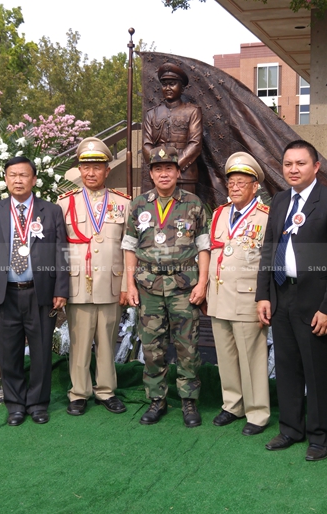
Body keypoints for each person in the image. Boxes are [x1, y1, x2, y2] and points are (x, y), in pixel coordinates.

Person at [255, 140, 327, 461]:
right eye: (287, 164)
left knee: (316, 370)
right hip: (282, 296)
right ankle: (290, 429)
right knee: (286, 366)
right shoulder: (280, 200)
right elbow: (269, 249)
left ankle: (320, 436)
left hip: (315, 302)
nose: (293, 170)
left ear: (316, 167)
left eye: (300, 164)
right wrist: (263, 296)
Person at [122, 145, 211, 427]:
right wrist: (130, 285)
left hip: (184, 285)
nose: (164, 173)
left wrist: (203, 283)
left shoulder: (193, 204)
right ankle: (157, 400)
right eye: (158, 169)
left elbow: (204, 247)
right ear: (150, 173)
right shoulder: (138, 205)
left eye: (169, 168)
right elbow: (129, 247)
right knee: (152, 347)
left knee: (187, 346)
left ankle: (188, 401)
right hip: (148, 286)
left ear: (178, 171)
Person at [0, 156, 68, 426]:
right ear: (5, 179)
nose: (18, 180)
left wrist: (61, 289)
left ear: (34, 179)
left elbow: (62, 253)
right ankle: (15, 404)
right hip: (5, 292)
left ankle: (38, 403)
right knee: (9, 352)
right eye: (13, 175)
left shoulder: (51, 211)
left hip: (41, 292)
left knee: (41, 351)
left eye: (24, 175)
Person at [58, 137, 131, 417]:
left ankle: (106, 390)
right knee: (78, 340)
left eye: (97, 167)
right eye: (85, 166)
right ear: (79, 169)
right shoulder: (65, 203)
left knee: (107, 338)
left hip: (111, 285)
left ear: (107, 170)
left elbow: (129, 247)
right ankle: (78, 393)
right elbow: (57, 248)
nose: (90, 172)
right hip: (77, 285)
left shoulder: (123, 204)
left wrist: (126, 285)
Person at [207, 152, 271, 436]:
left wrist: (264, 297)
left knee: (252, 357)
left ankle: (257, 413)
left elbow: (269, 262)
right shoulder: (219, 213)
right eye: (231, 182)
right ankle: (232, 404)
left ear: (255, 186)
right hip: (219, 296)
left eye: (241, 182)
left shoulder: (266, 217)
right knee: (226, 355)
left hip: (247, 298)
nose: (234, 187)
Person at [143, 63, 203, 195]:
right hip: (159, 177)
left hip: (185, 174)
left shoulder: (192, 111)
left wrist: (176, 167)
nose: (168, 88)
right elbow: (146, 145)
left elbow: (195, 144)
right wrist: (158, 168)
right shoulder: (151, 114)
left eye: (172, 84)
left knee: (186, 212)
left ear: (182, 87)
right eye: (164, 84)